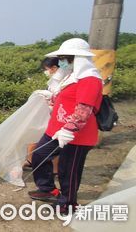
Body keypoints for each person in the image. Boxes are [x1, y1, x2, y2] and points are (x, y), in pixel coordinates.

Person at [28, 38, 103, 214]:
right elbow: (64, 98)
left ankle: (68, 203)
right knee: (39, 154)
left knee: (68, 169)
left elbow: (84, 109)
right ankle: (46, 188)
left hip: (77, 135)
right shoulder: (71, 77)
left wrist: (69, 129)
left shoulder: (89, 79)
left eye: (64, 58)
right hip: (55, 129)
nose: (60, 62)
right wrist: (49, 97)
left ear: (76, 58)